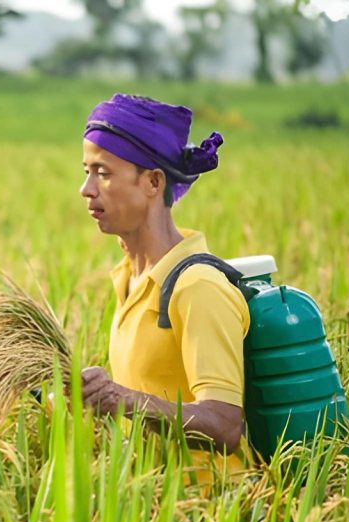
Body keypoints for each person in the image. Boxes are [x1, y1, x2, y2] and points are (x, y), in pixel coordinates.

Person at [77, 93, 250, 485]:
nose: (86, 189)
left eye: (102, 173)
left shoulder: (197, 287)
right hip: (149, 508)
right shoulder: (129, 278)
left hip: (211, 517)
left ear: (153, 182)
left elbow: (225, 424)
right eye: (86, 171)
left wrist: (124, 400)